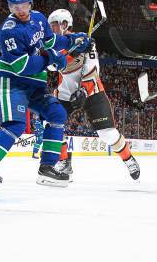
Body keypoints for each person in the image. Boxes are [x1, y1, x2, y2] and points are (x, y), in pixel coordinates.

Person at [0, 0, 90, 189]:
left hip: (35, 85)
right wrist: (50, 59)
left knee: (57, 114)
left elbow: (51, 41)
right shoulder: (9, 31)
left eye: (23, 4)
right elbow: (22, 66)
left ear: (31, 3)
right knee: (15, 126)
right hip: (13, 83)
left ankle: (47, 168)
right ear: (9, 6)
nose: (20, 9)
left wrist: (73, 39)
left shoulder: (38, 18)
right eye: (14, 5)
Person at [47, 9, 140, 180]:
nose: (50, 29)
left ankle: (129, 159)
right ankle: (64, 161)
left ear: (64, 25)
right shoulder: (52, 44)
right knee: (53, 122)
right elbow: (52, 66)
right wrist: (70, 51)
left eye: (53, 26)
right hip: (65, 93)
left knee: (108, 134)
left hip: (91, 91)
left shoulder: (85, 40)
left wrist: (83, 89)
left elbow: (93, 69)